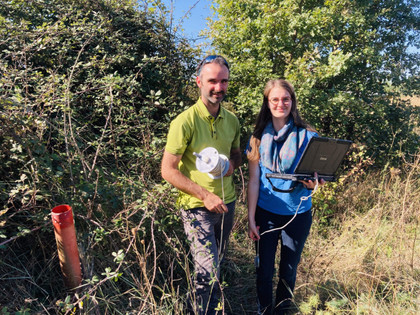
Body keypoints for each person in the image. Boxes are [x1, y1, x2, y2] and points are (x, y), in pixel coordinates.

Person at [161, 55, 241, 315]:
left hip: (227, 204)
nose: (219, 87)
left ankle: (211, 308)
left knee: (216, 265)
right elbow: (167, 170)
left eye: (224, 81)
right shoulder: (184, 122)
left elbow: (236, 155)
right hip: (197, 208)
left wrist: (231, 165)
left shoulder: (232, 120)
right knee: (207, 269)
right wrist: (204, 195)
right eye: (212, 81)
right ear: (199, 82)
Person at [246, 79, 324, 315]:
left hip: (298, 214)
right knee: (264, 271)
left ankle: (282, 310)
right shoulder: (257, 138)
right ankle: (264, 310)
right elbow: (253, 181)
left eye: (286, 99)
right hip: (266, 213)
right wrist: (250, 218)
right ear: (267, 103)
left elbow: (316, 180)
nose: (281, 104)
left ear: (293, 101)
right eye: (275, 99)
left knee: (288, 271)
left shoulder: (309, 135)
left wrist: (312, 186)